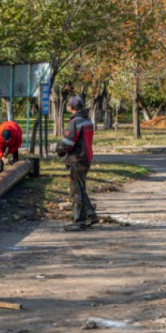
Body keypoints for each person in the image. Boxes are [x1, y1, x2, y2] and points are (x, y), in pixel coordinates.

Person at [56, 96, 98, 231]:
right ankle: (91, 215)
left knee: (76, 191)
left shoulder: (75, 122)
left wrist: (58, 149)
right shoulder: (88, 121)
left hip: (77, 159)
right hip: (86, 158)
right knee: (81, 187)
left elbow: (68, 143)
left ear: (71, 107)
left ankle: (79, 221)